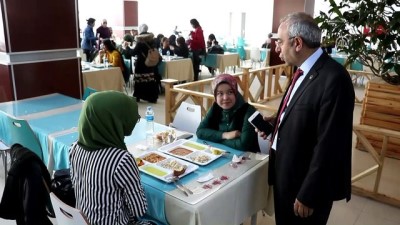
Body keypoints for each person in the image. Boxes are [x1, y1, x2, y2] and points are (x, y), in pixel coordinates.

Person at [258, 12, 354, 225]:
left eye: (280, 42)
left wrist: (310, 193)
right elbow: (303, 114)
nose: (276, 48)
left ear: (297, 43)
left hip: (304, 185)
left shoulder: (334, 78)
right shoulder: (302, 70)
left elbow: (330, 144)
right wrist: (277, 123)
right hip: (286, 173)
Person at [70, 91, 152, 225]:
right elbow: (139, 209)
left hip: (83, 221)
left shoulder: (74, 148)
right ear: (115, 121)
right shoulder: (121, 160)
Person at [196, 74, 260, 152]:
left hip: (250, 159)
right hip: (222, 154)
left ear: (235, 92)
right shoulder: (216, 107)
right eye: (220, 93)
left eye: (230, 92)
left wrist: (215, 138)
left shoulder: (248, 111)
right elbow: (200, 132)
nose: (225, 98)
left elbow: (243, 145)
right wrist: (225, 135)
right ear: (215, 96)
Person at [127, 24, 161, 103]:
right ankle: (152, 97)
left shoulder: (140, 41)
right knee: (150, 80)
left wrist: (127, 48)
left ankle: (138, 95)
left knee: (140, 80)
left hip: (141, 64)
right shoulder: (152, 41)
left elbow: (133, 53)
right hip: (150, 63)